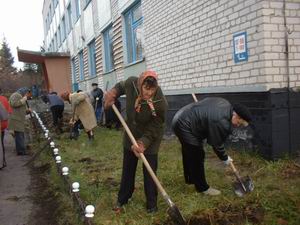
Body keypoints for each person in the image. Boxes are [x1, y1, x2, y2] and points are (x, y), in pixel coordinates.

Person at [104, 70, 168, 213]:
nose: (148, 94)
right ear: (139, 84)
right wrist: (113, 93)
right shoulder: (131, 82)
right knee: (128, 168)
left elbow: (157, 125)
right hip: (131, 132)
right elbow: (120, 86)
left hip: (150, 137)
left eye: (152, 90)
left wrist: (143, 143)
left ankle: (152, 205)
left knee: (149, 171)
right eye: (146, 89)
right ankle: (123, 198)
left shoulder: (160, 103)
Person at [172, 97, 252, 195]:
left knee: (190, 151)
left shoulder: (225, 104)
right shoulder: (221, 122)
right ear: (236, 116)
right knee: (197, 155)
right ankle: (202, 188)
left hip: (182, 116)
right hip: (184, 125)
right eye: (240, 123)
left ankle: (191, 178)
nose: (238, 125)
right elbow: (216, 144)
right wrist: (225, 158)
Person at [8, 87, 32, 156]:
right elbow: (14, 104)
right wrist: (23, 99)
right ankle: (21, 151)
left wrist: (27, 111)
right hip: (16, 119)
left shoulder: (20, 96)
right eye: (27, 93)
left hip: (19, 119)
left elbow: (20, 109)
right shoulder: (16, 95)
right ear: (24, 91)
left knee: (20, 135)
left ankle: (22, 150)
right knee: (19, 136)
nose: (27, 95)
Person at [0, 88, 12, 168]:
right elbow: (8, 113)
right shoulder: (4, 99)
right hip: (2, 124)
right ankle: (3, 161)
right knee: (1, 144)